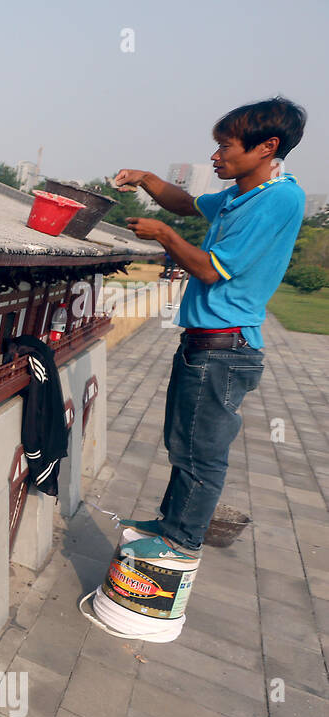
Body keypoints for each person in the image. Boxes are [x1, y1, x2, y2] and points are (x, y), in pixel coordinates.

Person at [112, 96, 307, 561]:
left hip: (225, 348)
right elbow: (186, 202)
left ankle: (181, 542)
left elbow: (212, 270)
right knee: (184, 442)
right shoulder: (242, 192)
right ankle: (172, 524)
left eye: (224, 146)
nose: (215, 157)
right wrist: (145, 179)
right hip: (206, 343)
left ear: (267, 147)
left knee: (202, 451)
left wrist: (164, 235)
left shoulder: (279, 198)